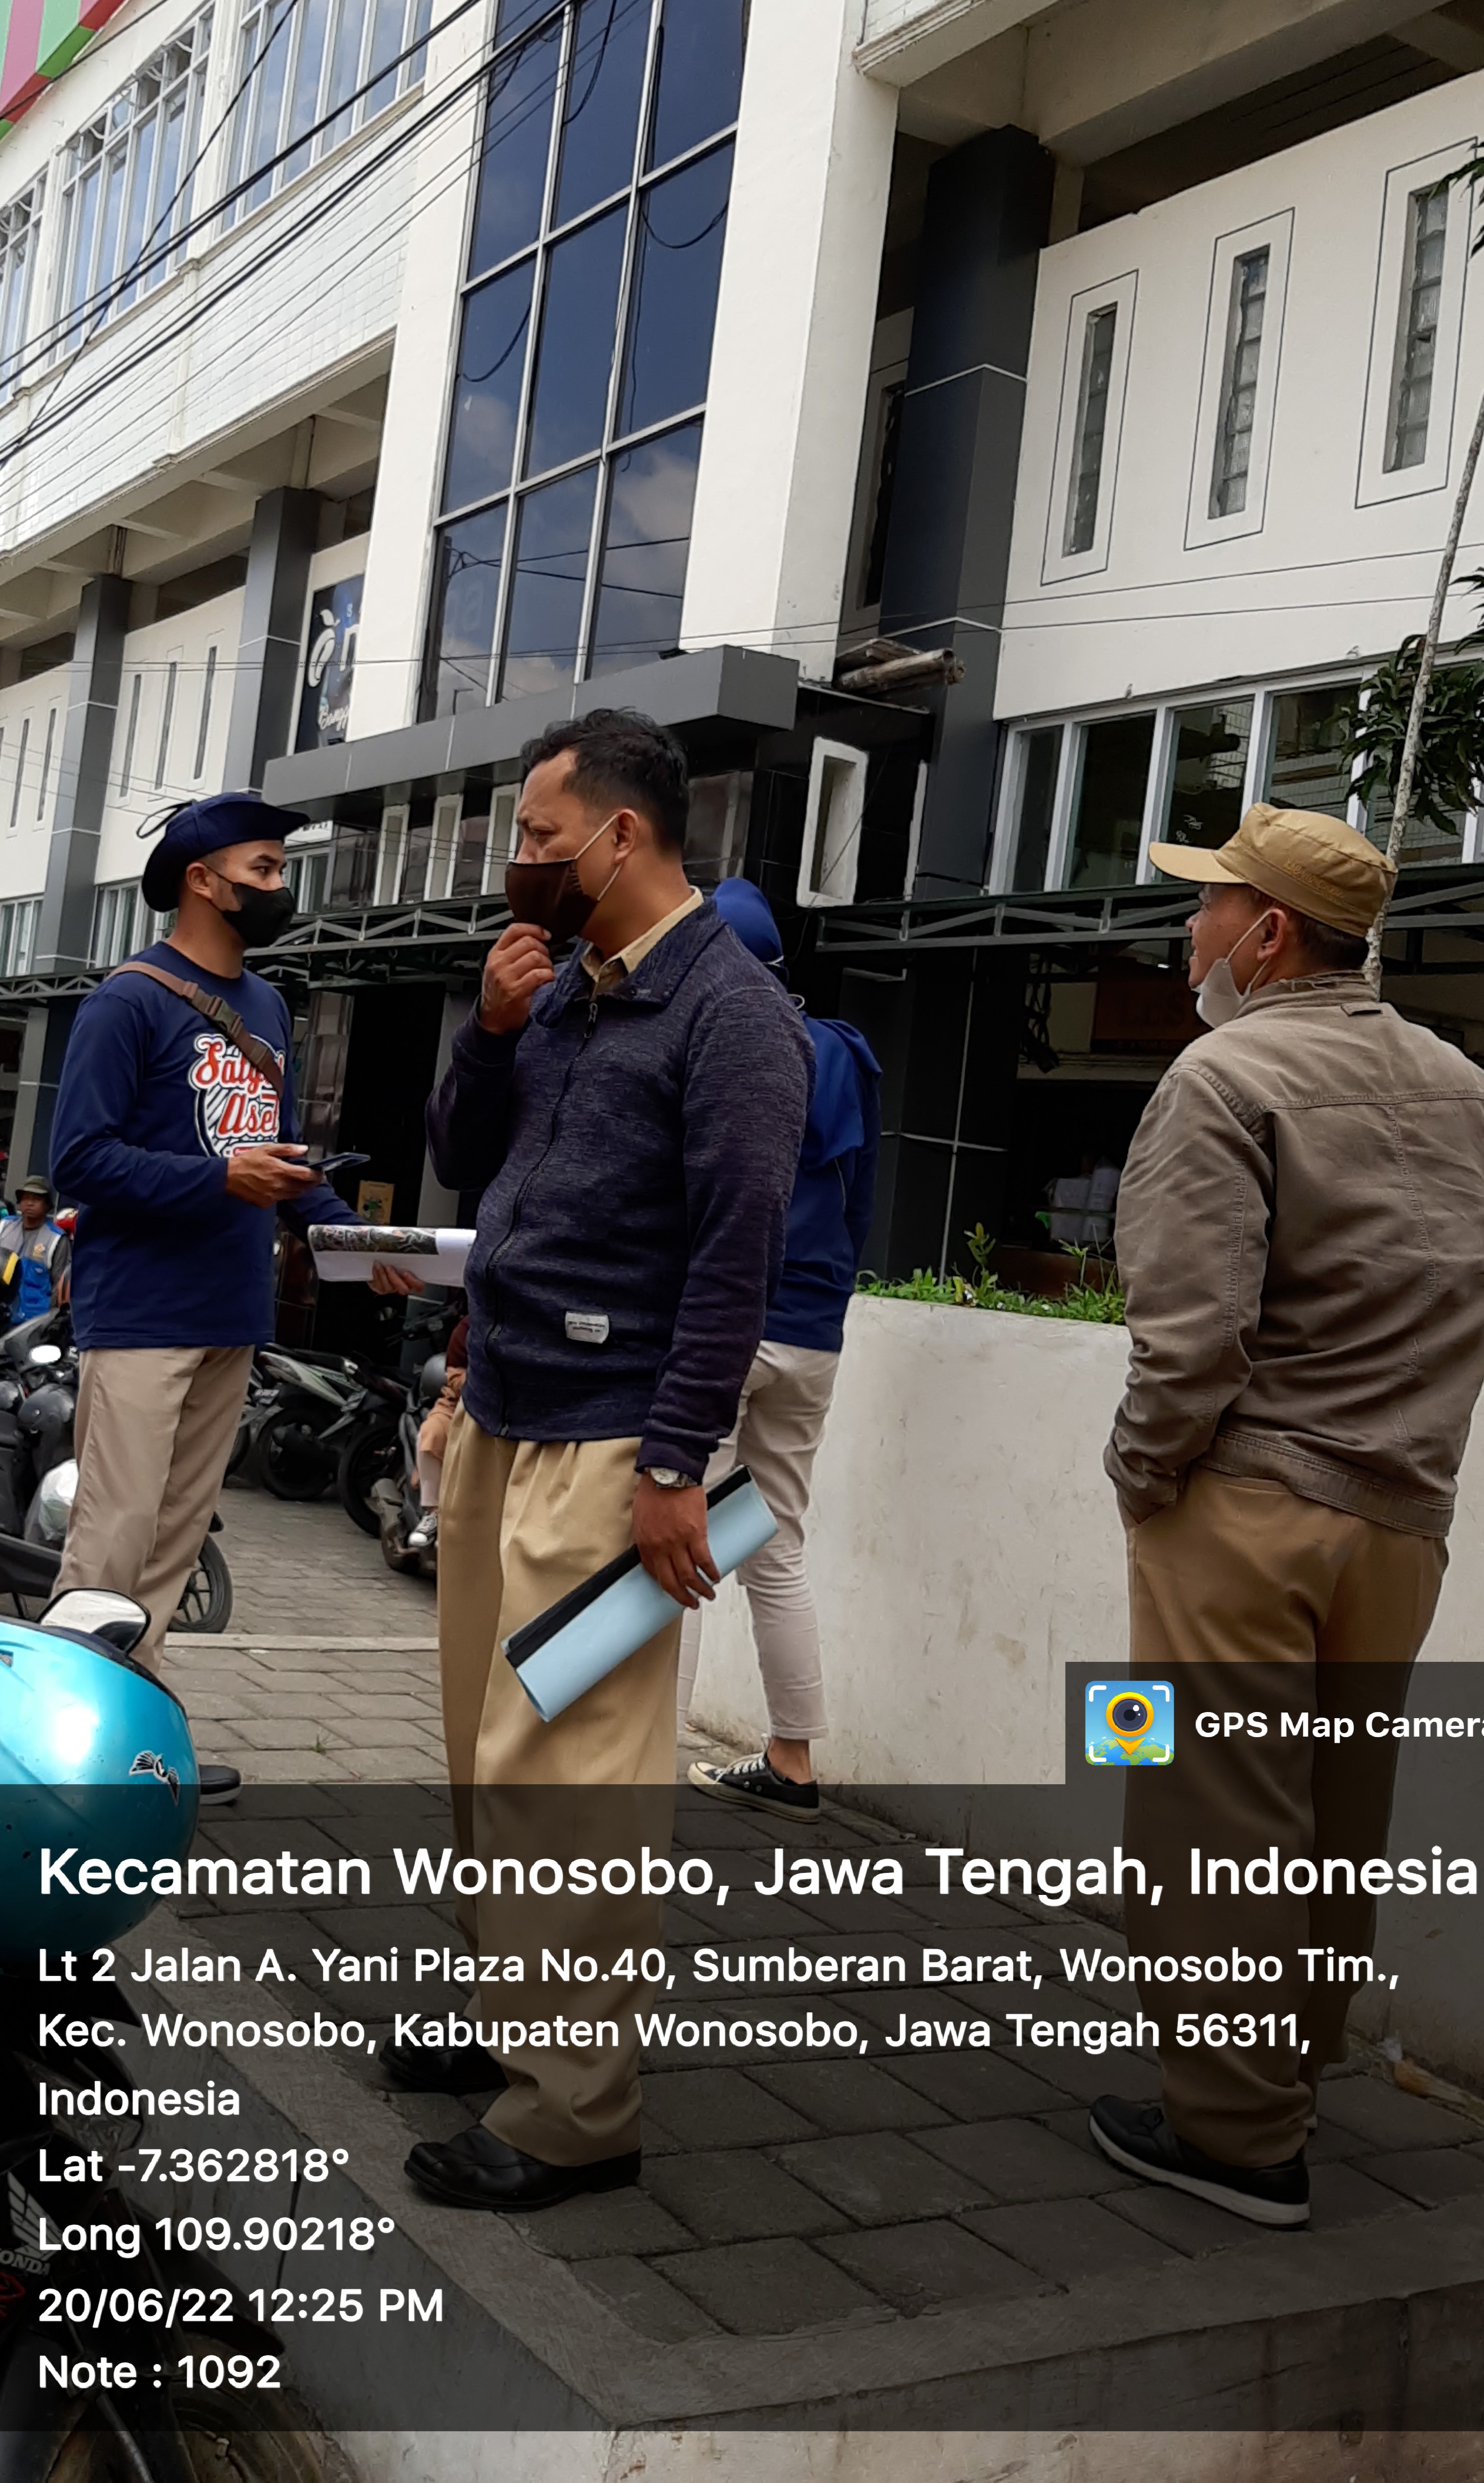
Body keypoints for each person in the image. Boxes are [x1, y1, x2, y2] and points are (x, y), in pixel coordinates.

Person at [1085, 801, 1484, 2228]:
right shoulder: (1478, 1094)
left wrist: (1144, 1475)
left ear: (1269, 933)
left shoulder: (1222, 1073)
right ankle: (1290, 2063)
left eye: (1210, 904)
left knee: (1205, 1818)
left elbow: (1189, 1333)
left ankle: (1234, 2134)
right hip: (1403, 1520)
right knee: (1336, 1815)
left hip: (1242, 1505)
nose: (1190, 927)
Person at [399, 710, 809, 2214]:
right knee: (484, 1750)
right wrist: (491, 1030)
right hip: (503, 1413)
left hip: (616, 1439)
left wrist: (676, 1462)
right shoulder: (566, 990)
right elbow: (464, 1158)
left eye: (539, 835)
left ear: (621, 835)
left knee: (571, 1771)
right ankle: (507, 2015)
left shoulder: (732, 1013)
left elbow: (736, 1257)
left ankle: (575, 2107)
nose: (520, 861)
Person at [49, 791, 420, 1794]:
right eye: (264, 870)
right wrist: (221, 1178)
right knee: (112, 1543)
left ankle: (135, 1753)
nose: (280, 887)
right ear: (202, 881)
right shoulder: (127, 1001)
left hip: (230, 1313)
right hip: (142, 1315)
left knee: (173, 1547)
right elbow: (79, 1160)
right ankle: (61, 1760)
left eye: (280, 870)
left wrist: (355, 1241)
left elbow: (284, 1164)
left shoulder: (267, 1008)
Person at [678, 877, 882, 1818]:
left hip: (728, 1319)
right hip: (814, 1329)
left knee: (674, 1537)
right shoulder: (847, 1053)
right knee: (777, 1543)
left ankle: (633, 1761)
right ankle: (793, 1760)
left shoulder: (724, 1039)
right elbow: (861, 1203)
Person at [0, 1171, 60, 1324]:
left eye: (37, 1199)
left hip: (34, 1321)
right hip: (0, 1314)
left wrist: (50, 1321)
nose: (30, 1203)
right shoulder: (4, 1226)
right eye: (25, 1198)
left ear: (47, 1205)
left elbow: (60, 1286)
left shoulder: (56, 1239)